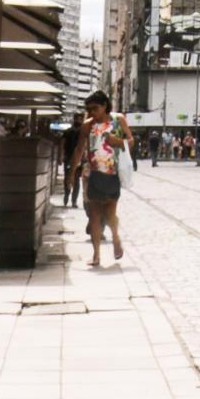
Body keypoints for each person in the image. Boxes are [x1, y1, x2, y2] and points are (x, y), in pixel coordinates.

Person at [78, 92, 132, 270]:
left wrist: (119, 141)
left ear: (105, 105)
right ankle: (96, 254)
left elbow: (131, 141)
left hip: (112, 173)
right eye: (89, 109)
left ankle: (116, 237)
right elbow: (80, 148)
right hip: (93, 174)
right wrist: (72, 172)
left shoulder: (118, 119)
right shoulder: (88, 125)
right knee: (94, 215)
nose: (93, 112)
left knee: (109, 214)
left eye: (96, 108)